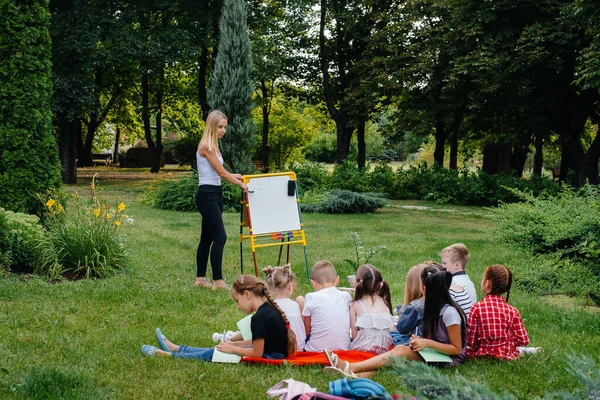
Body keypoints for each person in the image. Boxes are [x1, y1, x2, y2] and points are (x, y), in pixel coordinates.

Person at [324, 265, 467, 378]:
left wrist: (427, 343)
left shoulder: (449, 313)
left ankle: (351, 367)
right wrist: (420, 340)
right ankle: (361, 373)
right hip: (434, 353)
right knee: (399, 353)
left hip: (448, 359)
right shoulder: (432, 306)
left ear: (424, 289)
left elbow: (456, 349)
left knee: (399, 352)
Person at [141, 274, 296, 360]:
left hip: (272, 357)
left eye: (237, 301)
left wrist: (233, 349)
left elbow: (257, 353)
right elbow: (259, 342)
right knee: (220, 348)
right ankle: (178, 348)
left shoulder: (259, 318)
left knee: (215, 353)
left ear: (247, 294)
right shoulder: (267, 309)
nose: (237, 306)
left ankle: (169, 355)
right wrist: (234, 344)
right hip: (274, 352)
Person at [194, 110, 248, 289]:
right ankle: (218, 281)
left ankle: (200, 279)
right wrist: (239, 184)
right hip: (207, 195)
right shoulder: (206, 146)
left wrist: (233, 175)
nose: (223, 130)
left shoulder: (214, 146)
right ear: (212, 126)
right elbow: (221, 173)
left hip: (215, 193)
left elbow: (218, 173)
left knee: (207, 238)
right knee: (220, 237)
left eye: (225, 127)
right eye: (220, 127)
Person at [466, 264, 539, 360]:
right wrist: (507, 340)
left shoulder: (476, 308)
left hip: (482, 355)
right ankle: (526, 351)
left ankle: (527, 351)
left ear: (487, 283)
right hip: (506, 354)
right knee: (519, 348)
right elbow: (523, 340)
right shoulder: (512, 311)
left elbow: (470, 342)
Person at [298, 260, 352, 352]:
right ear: (337, 279)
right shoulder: (346, 296)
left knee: (299, 299)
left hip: (315, 349)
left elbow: (307, 331)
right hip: (343, 347)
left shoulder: (310, 297)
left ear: (313, 283)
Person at [348, 264, 394, 354]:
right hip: (383, 350)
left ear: (358, 283)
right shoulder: (385, 301)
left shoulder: (355, 305)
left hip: (361, 349)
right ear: (381, 285)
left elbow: (354, 336)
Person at [263, 264, 307, 352]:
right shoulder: (296, 305)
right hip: (299, 347)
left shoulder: (267, 307)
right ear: (290, 286)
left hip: (278, 349)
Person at [390, 262, 428, 345]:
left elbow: (402, 329)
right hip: (431, 341)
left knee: (390, 331)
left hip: (417, 342)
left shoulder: (416, 306)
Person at [440, 243, 477, 316]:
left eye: (444, 263)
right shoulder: (468, 281)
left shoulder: (453, 285)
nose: (442, 266)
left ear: (457, 265)